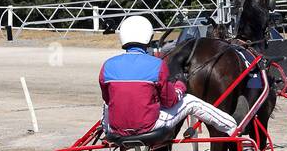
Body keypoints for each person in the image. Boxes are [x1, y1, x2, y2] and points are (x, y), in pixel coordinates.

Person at [99, 15, 240, 138]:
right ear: (149, 37)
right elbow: (170, 101)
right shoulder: (156, 65)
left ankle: (104, 132)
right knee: (191, 101)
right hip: (149, 126)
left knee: (107, 104)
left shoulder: (107, 65)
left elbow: (107, 98)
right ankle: (232, 127)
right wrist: (180, 86)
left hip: (114, 129)